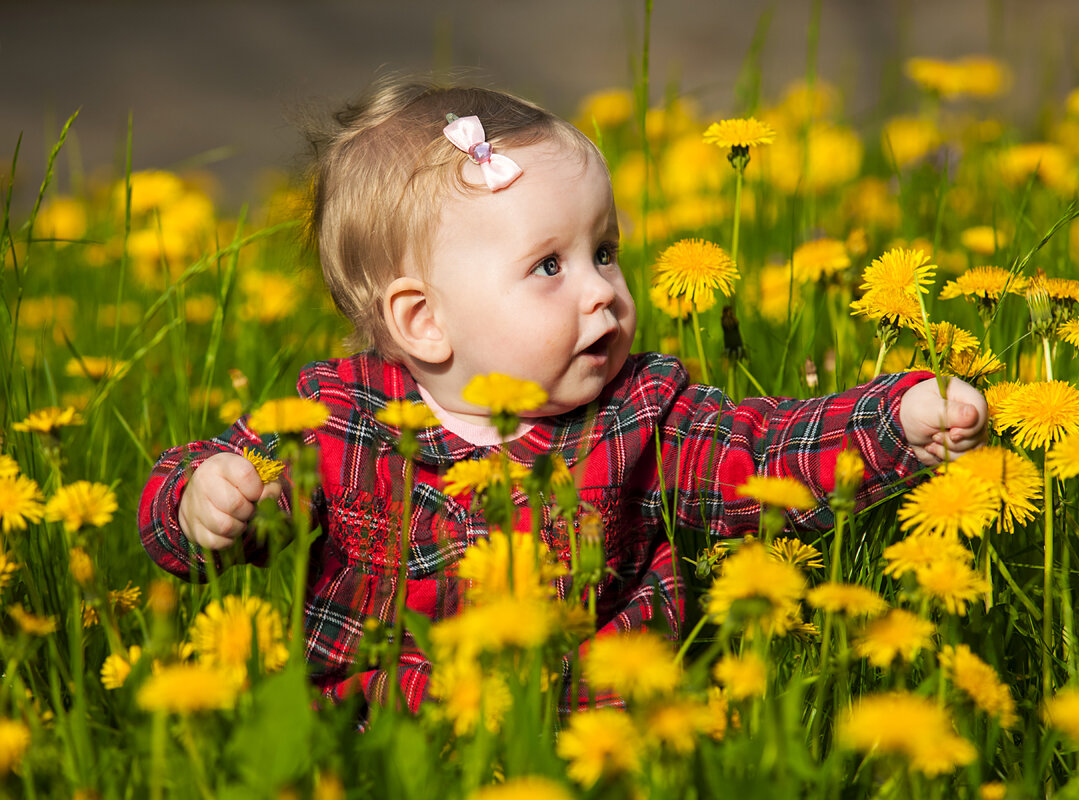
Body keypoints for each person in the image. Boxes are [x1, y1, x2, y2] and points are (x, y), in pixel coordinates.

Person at [139, 80, 988, 716]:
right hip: (380, 734)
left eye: (605, 250)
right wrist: (208, 502)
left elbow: (766, 450)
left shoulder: (640, 414)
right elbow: (195, 496)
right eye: (551, 266)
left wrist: (898, 419)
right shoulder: (335, 420)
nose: (602, 293)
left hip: (595, 728)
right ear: (423, 319)